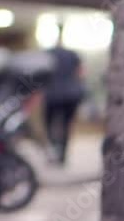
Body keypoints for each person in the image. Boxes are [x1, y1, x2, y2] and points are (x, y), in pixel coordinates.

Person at [43, 27, 86, 166]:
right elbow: (81, 73)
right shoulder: (73, 54)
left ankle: (53, 151)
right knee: (66, 126)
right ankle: (62, 156)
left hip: (52, 95)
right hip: (70, 95)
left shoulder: (48, 54)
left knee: (50, 125)